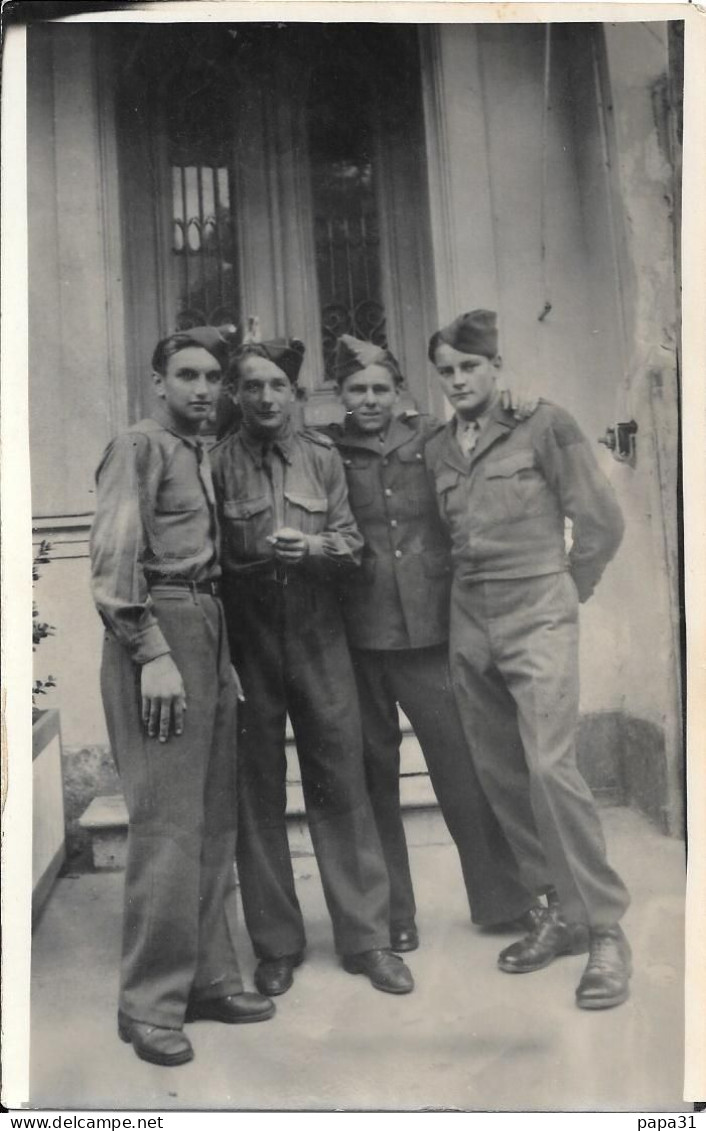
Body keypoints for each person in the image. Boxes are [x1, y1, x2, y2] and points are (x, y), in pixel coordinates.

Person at [426, 309, 632, 1010]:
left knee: (550, 764)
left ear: (495, 367)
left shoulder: (545, 424)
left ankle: (605, 926)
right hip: (469, 616)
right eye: (446, 371)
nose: (458, 380)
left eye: (469, 367)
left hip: (537, 607)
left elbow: (601, 518)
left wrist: (571, 585)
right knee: (501, 771)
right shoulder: (438, 447)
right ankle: (556, 911)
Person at [90, 327, 275, 1067]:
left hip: (207, 621)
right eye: (187, 375)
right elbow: (112, 564)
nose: (202, 389)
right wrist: (153, 655)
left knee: (211, 818)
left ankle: (207, 977)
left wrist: (212, 652)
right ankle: (148, 1004)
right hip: (157, 628)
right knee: (167, 823)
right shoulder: (136, 445)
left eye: (211, 377)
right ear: (159, 380)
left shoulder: (197, 450)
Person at [210, 337, 414, 998]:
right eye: (253, 386)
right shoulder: (215, 465)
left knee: (341, 781)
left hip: (322, 634)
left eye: (279, 387)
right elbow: (205, 563)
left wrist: (316, 545)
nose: (266, 397)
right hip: (250, 641)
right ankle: (276, 943)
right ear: (235, 394)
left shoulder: (323, 459)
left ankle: (368, 937)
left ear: (297, 395)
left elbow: (353, 542)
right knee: (256, 789)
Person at [326, 334, 542, 952]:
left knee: (465, 771)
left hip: (428, 634)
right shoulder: (325, 449)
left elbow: (492, 430)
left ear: (400, 392)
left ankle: (504, 899)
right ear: (340, 396)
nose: (369, 401)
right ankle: (394, 913)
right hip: (358, 639)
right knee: (375, 780)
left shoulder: (432, 441)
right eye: (356, 390)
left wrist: (517, 397)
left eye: (380, 389)